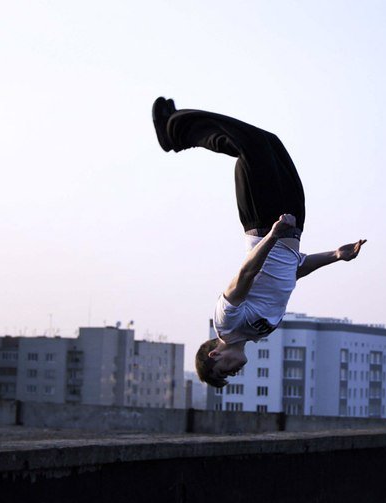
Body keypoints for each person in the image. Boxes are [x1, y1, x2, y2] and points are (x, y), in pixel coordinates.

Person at [152, 97, 366, 388]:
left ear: (215, 355)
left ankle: (174, 131)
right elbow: (289, 272)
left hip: (263, 220)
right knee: (270, 143)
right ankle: (177, 128)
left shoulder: (226, 323)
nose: (233, 373)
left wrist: (272, 235)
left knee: (251, 145)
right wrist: (336, 255)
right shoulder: (261, 331)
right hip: (291, 225)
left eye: (224, 372)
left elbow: (246, 274)